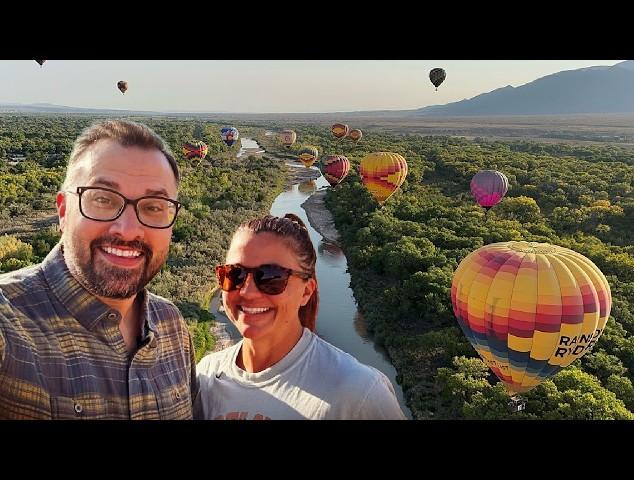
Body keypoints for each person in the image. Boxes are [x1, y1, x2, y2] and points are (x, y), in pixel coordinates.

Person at [0, 120, 197, 419]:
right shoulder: (9, 322)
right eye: (103, 199)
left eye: (154, 206)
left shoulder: (172, 326)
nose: (129, 230)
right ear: (64, 211)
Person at [194, 213, 406, 420]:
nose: (247, 292)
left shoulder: (358, 392)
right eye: (234, 275)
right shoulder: (207, 374)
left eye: (271, 277)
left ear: (306, 291)